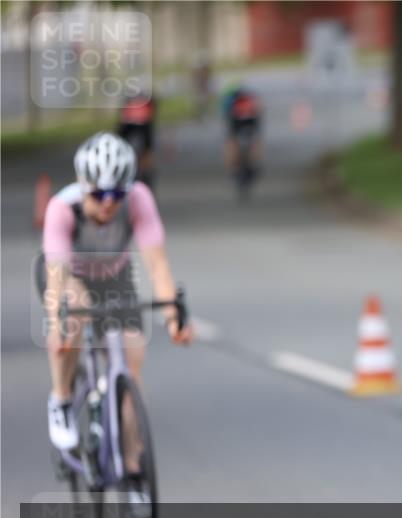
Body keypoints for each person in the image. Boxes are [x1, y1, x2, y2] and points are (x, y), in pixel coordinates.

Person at [42, 132, 193, 473]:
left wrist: (173, 318)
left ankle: (134, 467)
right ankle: (62, 400)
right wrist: (57, 325)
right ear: (83, 185)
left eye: (116, 194)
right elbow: (57, 274)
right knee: (72, 313)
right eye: (98, 194)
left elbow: (157, 264)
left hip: (115, 276)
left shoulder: (139, 199)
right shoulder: (62, 209)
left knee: (131, 366)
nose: (108, 202)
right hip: (70, 276)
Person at [220, 82, 262, 177]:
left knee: (231, 142)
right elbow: (258, 112)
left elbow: (225, 116)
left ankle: (231, 166)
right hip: (251, 121)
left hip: (236, 122)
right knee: (256, 139)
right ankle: (256, 160)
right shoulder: (250, 98)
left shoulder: (229, 100)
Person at [117, 92, 156, 189]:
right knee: (146, 149)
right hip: (141, 122)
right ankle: (145, 172)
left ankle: (122, 167)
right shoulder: (148, 98)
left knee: (121, 146)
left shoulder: (129, 97)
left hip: (131, 122)